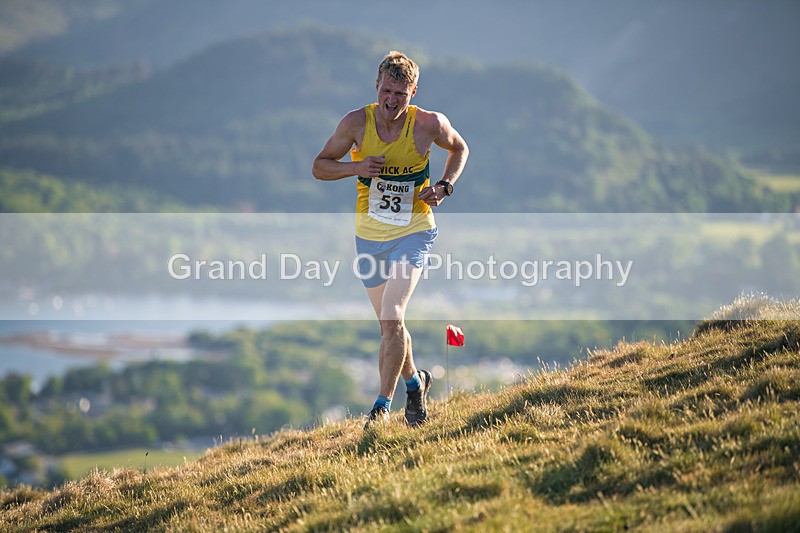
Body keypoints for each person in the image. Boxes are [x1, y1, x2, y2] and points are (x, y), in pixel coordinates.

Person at [313, 51, 468, 429]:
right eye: (386, 91)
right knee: (390, 327)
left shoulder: (429, 124)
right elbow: (320, 166)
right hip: (369, 237)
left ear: (413, 92)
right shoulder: (355, 124)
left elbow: (460, 149)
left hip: (414, 230)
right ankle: (416, 386)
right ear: (376, 87)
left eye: (401, 93)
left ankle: (382, 406)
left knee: (393, 314)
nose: (391, 100)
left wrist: (445, 186)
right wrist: (356, 167)